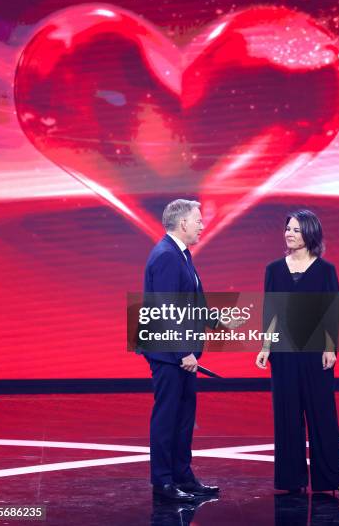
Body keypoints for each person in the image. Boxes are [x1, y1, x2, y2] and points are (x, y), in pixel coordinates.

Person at [255, 209, 339, 502]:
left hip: (314, 354)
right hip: (283, 354)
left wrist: (330, 347)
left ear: (310, 233)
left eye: (296, 229)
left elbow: (332, 311)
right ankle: (291, 479)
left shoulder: (326, 270)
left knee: (322, 414)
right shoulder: (274, 269)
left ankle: (335, 479)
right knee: (287, 414)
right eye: (288, 228)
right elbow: (269, 312)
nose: (289, 233)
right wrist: (265, 346)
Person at [141, 199, 220, 501]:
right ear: (182, 223)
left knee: (185, 416)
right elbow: (164, 309)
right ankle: (163, 481)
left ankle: (182, 476)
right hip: (169, 355)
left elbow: (191, 302)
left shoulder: (181, 254)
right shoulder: (166, 256)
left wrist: (218, 322)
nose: (202, 225)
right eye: (198, 220)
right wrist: (182, 352)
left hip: (182, 353)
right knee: (168, 416)